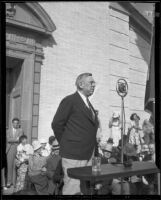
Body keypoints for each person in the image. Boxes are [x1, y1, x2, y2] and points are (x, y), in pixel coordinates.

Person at [51, 73, 99, 195]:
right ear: (81, 84)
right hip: (73, 155)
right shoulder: (70, 100)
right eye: (91, 82)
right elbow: (57, 124)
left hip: (90, 155)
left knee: (85, 189)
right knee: (73, 189)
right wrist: (67, 144)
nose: (94, 85)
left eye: (94, 83)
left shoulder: (88, 104)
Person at [6, 118, 24, 188]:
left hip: (17, 149)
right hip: (10, 149)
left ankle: (14, 182)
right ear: (12, 123)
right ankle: (9, 182)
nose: (15, 124)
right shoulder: (8, 131)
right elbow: (8, 140)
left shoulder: (21, 130)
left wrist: (14, 140)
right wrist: (15, 139)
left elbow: (20, 139)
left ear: (18, 124)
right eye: (14, 123)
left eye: (17, 123)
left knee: (15, 166)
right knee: (9, 166)